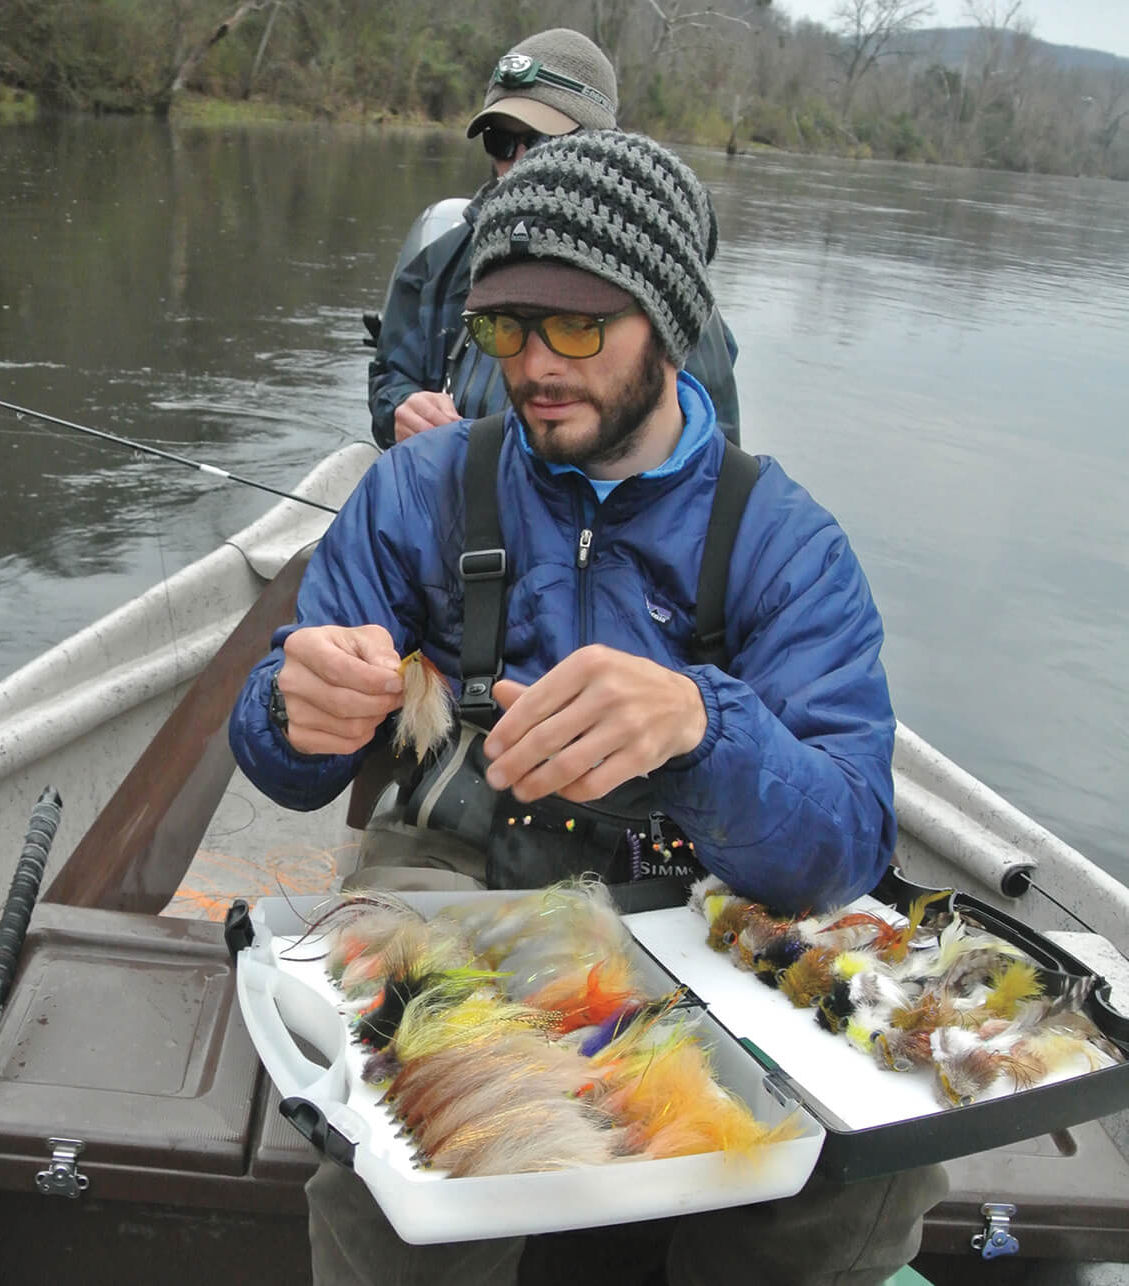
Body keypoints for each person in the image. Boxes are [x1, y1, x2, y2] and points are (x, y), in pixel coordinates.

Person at [230, 128, 947, 1286]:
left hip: (711, 896)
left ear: (665, 322)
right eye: (505, 325)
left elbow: (851, 836)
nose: (533, 363)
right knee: (422, 1116)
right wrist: (289, 707)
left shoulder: (786, 541)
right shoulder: (420, 487)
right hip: (456, 873)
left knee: (878, 1156)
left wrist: (706, 728)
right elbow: (285, 764)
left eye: (577, 323)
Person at [367, 27, 742, 450]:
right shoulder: (442, 261)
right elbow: (389, 379)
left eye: (543, 140)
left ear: (600, 140)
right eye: (501, 141)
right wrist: (403, 409)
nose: (520, 160)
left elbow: (714, 448)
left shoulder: (665, 279)